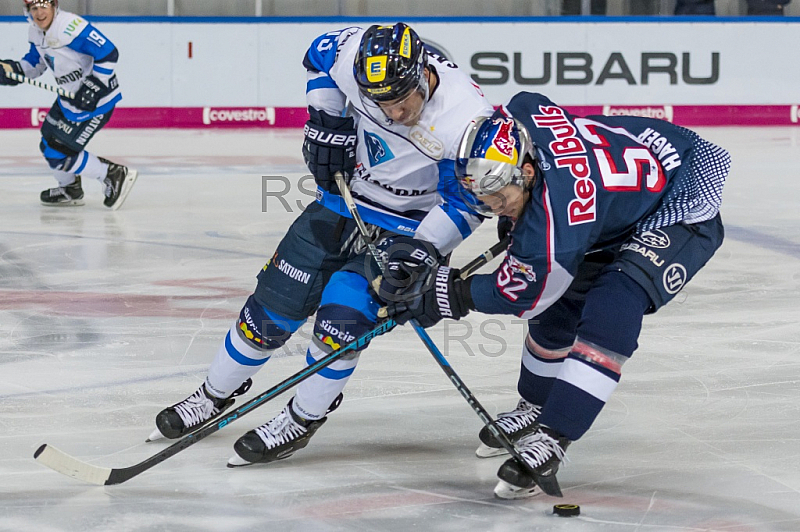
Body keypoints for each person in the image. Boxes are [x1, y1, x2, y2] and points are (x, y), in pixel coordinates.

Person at [148, 23, 492, 467]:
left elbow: (469, 198)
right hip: (340, 202)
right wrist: (327, 121)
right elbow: (318, 54)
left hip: (407, 228)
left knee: (340, 326)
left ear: (422, 73)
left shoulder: (465, 116)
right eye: (379, 102)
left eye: (401, 99)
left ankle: (303, 416)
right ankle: (213, 394)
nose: (391, 112)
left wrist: (424, 250)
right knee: (268, 310)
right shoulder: (353, 57)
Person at [380, 91, 729, 498]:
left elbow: (523, 293)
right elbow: (526, 106)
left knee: (614, 303)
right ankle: (533, 407)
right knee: (560, 307)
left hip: (680, 197)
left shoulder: (558, 222)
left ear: (527, 173)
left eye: (500, 198)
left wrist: (451, 294)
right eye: (485, 199)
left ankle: (554, 438)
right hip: (615, 196)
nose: (493, 208)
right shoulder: (518, 117)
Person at [0, 0, 137, 209]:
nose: (39, 13)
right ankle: (70, 188)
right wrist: (11, 70)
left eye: (43, 6)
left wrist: (93, 87)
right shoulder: (36, 32)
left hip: (96, 103)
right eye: (34, 8)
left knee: (58, 152)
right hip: (70, 101)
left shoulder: (69, 26)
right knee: (47, 143)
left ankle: (111, 174)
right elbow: (34, 64)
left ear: (54, 6)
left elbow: (109, 52)